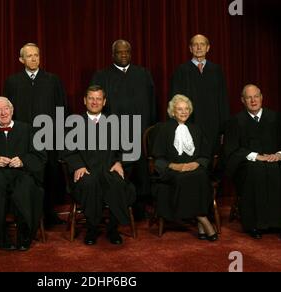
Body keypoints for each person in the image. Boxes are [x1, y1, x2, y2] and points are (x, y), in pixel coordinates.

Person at [0, 97, 47, 251]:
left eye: (6, 108)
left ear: (12, 110)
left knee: (25, 187)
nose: (3, 113)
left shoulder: (28, 129)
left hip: (21, 174)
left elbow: (41, 156)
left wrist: (23, 161)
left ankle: (24, 237)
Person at [91, 40, 156, 220]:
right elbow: (95, 105)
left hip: (140, 130)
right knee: (118, 169)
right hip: (114, 132)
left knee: (141, 170)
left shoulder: (143, 74)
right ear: (113, 55)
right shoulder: (102, 76)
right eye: (120, 52)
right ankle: (118, 208)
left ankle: (140, 207)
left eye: (127, 51)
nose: (124, 55)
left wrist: (151, 128)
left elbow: (152, 103)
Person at [63, 85, 136, 246]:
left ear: (104, 102)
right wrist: (78, 165)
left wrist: (119, 162)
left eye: (98, 99)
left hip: (108, 169)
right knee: (89, 183)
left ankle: (113, 229)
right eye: (91, 98)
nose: (94, 102)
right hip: (86, 171)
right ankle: (92, 228)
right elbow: (67, 151)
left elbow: (128, 148)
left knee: (117, 184)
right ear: (84, 100)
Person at [3, 43, 67, 226]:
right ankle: (25, 213)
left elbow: (61, 108)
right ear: (21, 59)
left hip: (49, 136)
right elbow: (7, 112)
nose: (34, 59)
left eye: (36, 55)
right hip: (23, 138)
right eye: (29, 56)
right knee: (25, 175)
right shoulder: (13, 82)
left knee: (49, 174)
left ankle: (49, 213)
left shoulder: (52, 80)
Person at [224, 84, 281, 241]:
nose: (253, 100)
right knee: (255, 171)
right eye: (249, 97)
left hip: (275, 163)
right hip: (249, 166)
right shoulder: (235, 121)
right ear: (242, 100)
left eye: (256, 96)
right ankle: (255, 225)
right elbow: (231, 151)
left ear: (262, 97)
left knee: (278, 171)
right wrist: (255, 156)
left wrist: (279, 154)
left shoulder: (276, 118)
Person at [151, 95, 218, 241]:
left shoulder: (196, 128)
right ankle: (202, 218)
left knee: (200, 175)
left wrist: (196, 163)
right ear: (173, 111)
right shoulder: (163, 129)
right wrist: (176, 166)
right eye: (180, 109)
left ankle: (200, 221)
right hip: (172, 170)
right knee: (183, 177)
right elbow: (158, 158)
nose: (184, 112)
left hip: (195, 167)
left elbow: (206, 154)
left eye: (186, 108)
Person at [170, 34, 230, 157]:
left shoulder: (216, 70)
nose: (199, 47)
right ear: (190, 49)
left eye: (202, 44)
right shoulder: (181, 70)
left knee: (212, 159)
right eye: (195, 45)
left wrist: (224, 128)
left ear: (208, 48)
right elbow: (175, 101)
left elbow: (222, 100)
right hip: (190, 123)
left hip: (213, 124)